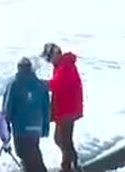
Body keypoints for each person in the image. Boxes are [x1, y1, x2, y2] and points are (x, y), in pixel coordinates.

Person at [41, 43, 83, 172]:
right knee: (62, 139)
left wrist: (41, 84)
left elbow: (57, 84)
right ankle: (74, 163)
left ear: (55, 54)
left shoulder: (65, 66)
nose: (49, 61)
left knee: (63, 140)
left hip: (68, 109)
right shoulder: (61, 65)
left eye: (49, 58)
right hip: (65, 108)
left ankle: (68, 167)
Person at [3, 57, 50, 172]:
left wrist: (5, 127)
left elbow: (8, 107)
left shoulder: (14, 85)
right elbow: (46, 108)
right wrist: (45, 128)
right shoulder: (40, 85)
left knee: (24, 154)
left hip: (21, 128)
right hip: (36, 127)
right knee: (33, 153)